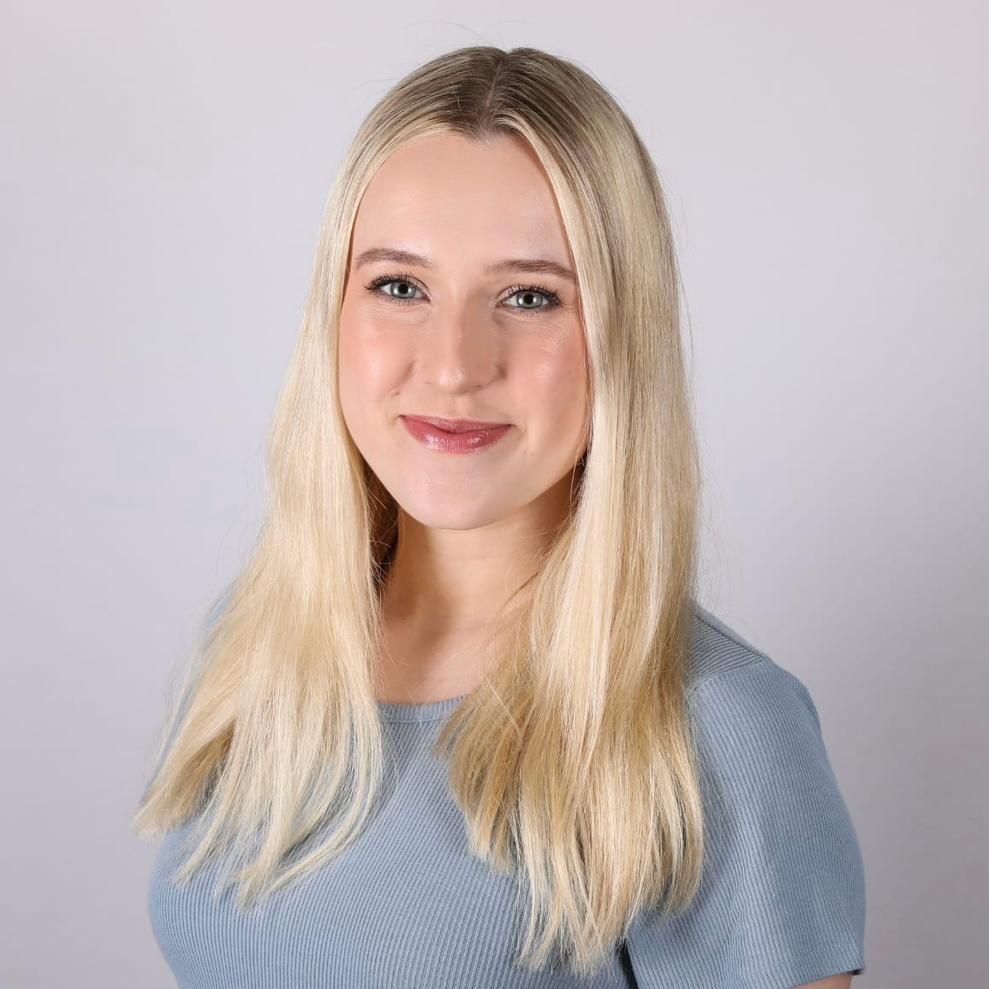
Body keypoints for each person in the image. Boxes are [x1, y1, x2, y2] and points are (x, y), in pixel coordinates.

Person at [133, 45, 866, 988]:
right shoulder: (255, 643)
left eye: (528, 297)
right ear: (333, 313)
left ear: (619, 336)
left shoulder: (715, 729)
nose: (451, 363)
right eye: (399, 286)